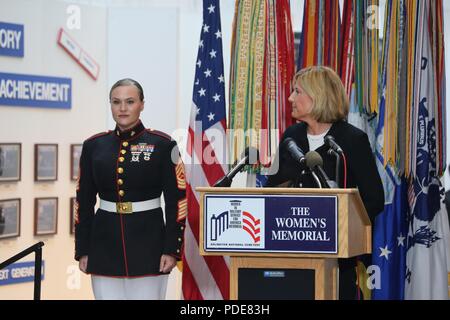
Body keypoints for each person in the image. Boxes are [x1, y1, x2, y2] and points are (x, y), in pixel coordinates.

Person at [266, 66, 384, 300]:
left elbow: (373, 199)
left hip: (337, 260)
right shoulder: (291, 137)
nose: (290, 98)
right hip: (290, 254)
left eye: (296, 91)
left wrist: (341, 231)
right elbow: (271, 190)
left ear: (317, 95)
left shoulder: (351, 140)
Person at [74, 78, 186, 300]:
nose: (122, 108)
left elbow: (177, 201)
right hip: (104, 245)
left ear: (142, 104)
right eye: (116, 102)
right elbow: (83, 202)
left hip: (150, 246)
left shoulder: (164, 145)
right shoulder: (94, 146)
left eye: (130, 101)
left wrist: (171, 249)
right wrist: (83, 249)